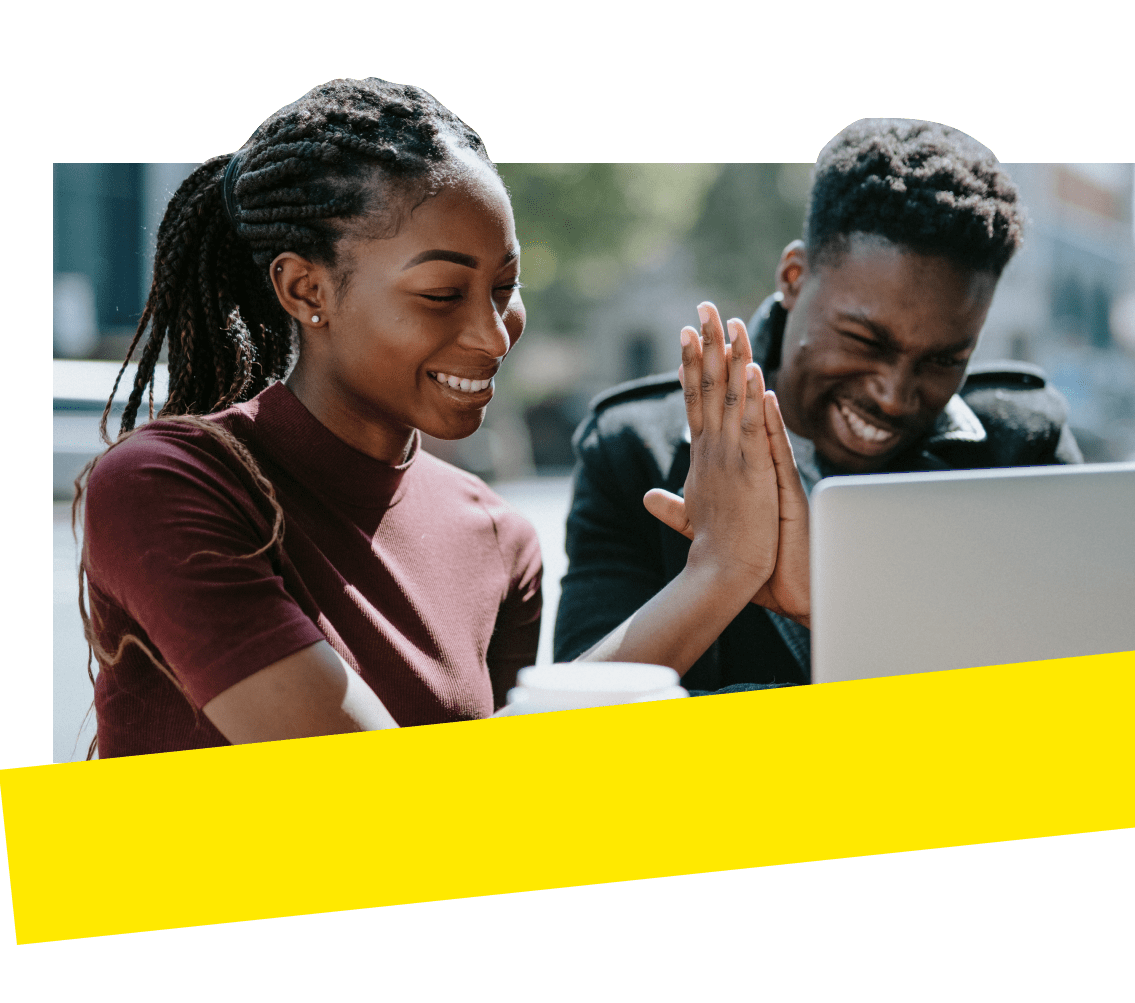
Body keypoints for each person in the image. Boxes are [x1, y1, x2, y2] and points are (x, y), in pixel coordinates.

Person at [76, 78, 799, 758]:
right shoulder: (167, 485)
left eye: (505, 286)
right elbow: (396, 806)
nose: (494, 335)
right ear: (305, 288)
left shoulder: (498, 536)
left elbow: (495, 795)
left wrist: (727, 567)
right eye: (442, 293)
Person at [554, 119, 1082, 691]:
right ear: (793, 277)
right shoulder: (633, 452)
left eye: (943, 360)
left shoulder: (1023, 448)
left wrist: (828, 610)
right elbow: (568, 720)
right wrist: (722, 570)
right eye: (865, 342)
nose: (894, 395)